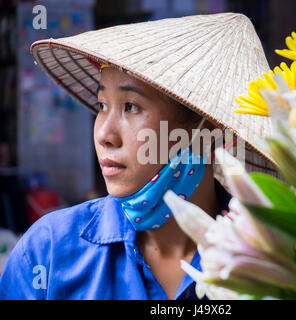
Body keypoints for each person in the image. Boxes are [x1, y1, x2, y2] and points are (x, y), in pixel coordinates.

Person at [0, 12, 277, 299]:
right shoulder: (48, 252)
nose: (104, 135)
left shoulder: (275, 258)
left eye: (131, 106)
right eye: (102, 105)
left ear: (206, 131)